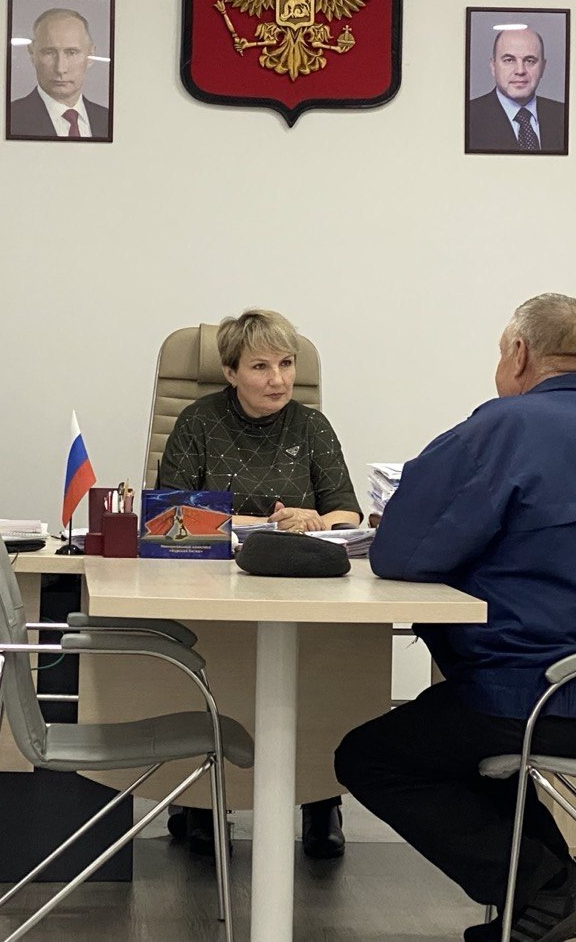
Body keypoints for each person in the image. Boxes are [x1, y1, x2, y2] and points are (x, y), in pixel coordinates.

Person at [335, 294, 576, 942]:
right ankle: (544, 898)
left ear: (520, 353)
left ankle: (550, 889)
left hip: (540, 697)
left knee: (373, 756)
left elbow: (399, 552)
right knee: (466, 740)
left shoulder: (503, 427)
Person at [158, 308, 362, 859]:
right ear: (230, 372)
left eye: (287, 364)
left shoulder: (312, 427)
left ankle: (320, 799)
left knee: (321, 672)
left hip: (298, 585)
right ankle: (202, 801)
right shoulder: (198, 421)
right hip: (212, 585)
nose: (278, 379)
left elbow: (347, 514)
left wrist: (313, 520)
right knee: (222, 663)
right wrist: (262, 524)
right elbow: (170, 512)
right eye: (261, 367)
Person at [8, 8, 111, 139]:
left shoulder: (109, 119)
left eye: (72, 53)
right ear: (32, 53)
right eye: (49, 53)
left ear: (91, 55)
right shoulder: (10, 118)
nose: (60, 69)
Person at [466, 28, 565, 153]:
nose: (520, 70)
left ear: (543, 67)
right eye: (509, 60)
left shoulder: (564, 115)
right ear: (493, 66)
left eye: (529, 61)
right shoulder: (468, 116)